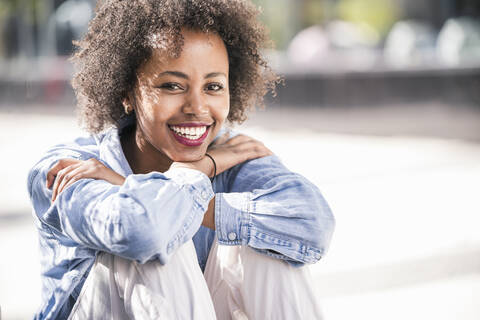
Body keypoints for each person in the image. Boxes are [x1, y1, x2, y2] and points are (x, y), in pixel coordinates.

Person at [27, 0, 335, 319]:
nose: (197, 107)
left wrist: (148, 184)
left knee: (269, 247)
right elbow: (141, 231)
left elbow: (313, 223)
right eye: (172, 85)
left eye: (213, 86)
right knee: (155, 244)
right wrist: (192, 172)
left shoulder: (231, 152)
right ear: (126, 92)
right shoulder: (68, 169)